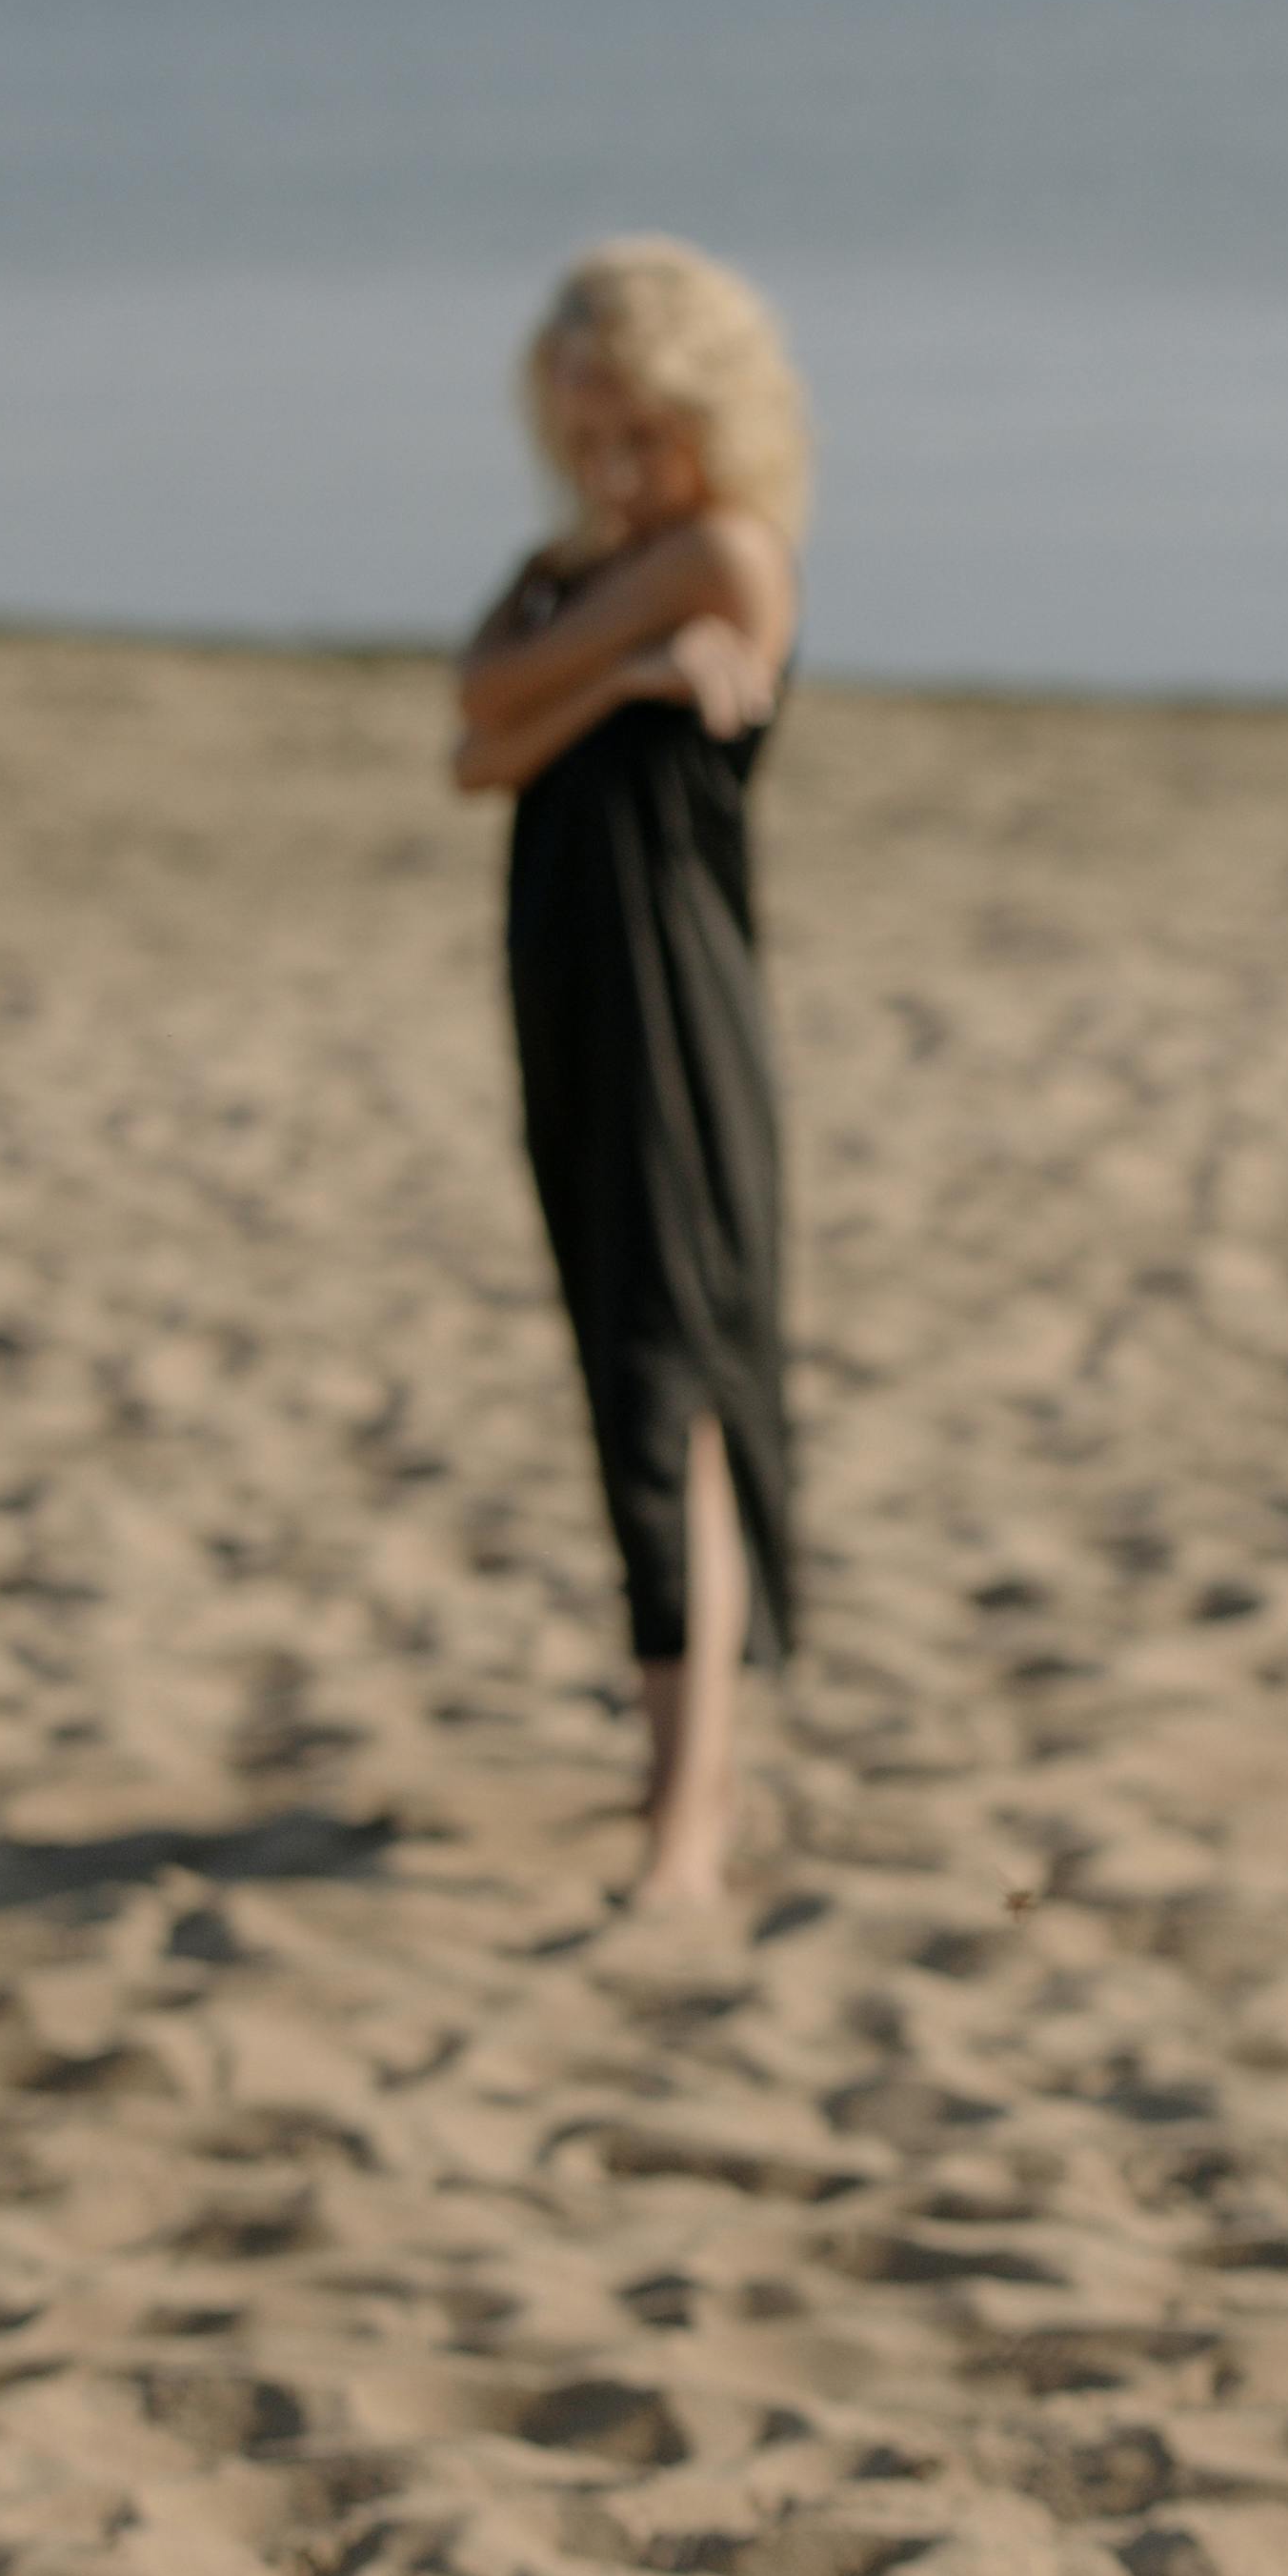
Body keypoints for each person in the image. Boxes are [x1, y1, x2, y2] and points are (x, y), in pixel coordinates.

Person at [453, 238, 806, 1912]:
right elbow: (474, 733)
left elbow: (504, 708)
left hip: (677, 1009)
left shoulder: (723, 548)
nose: (608, 464)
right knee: (621, 1379)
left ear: (705, 414)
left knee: (682, 1384)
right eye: (583, 431)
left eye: (637, 430)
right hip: (571, 994)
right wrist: (614, 671)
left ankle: (691, 1812)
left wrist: (578, 669)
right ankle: (678, 1769)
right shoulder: (574, 571)